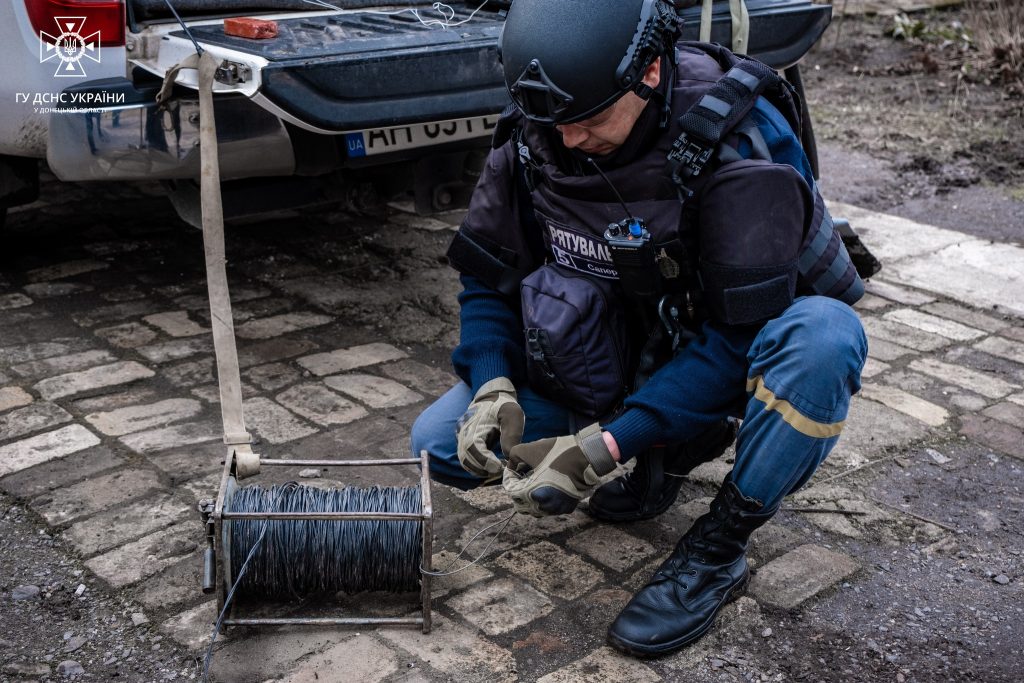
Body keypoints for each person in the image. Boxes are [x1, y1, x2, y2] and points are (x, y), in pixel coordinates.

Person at [411, 0, 867, 657]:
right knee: (439, 442)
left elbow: (743, 335)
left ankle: (718, 548)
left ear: (650, 72)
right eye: (557, 122)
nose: (569, 141)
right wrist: (492, 384)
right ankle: (660, 452)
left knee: (824, 339)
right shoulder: (545, 122)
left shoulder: (737, 136)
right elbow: (489, 276)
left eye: (591, 120)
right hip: (611, 353)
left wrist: (604, 449)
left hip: (723, 353)